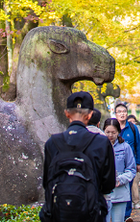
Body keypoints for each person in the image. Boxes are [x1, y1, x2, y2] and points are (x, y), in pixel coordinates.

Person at [41, 92, 116, 222]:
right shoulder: (101, 142)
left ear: (66, 113)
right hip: (90, 214)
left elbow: (46, 182)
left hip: (58, 214)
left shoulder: (52, 143)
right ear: (90, 114)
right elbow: (108, 184)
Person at [103, 118, 138, 222]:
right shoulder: (99, 147)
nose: (110, 135)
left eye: (113, 132)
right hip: (103, 194)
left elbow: (131, 169)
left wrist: (120, 179)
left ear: (118, 132)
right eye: (107, 132)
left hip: (120, 193)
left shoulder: (125, 147)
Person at [115, 103, 140, 213]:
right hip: (115, 165)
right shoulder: (113, 127)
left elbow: (138, 145)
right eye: (119, 112)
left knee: (128, 190)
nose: (122, 114)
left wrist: (138, 163)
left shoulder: (132, 128)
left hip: (129, 165)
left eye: (124, 111)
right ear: (115, 114)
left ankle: (126, 215)